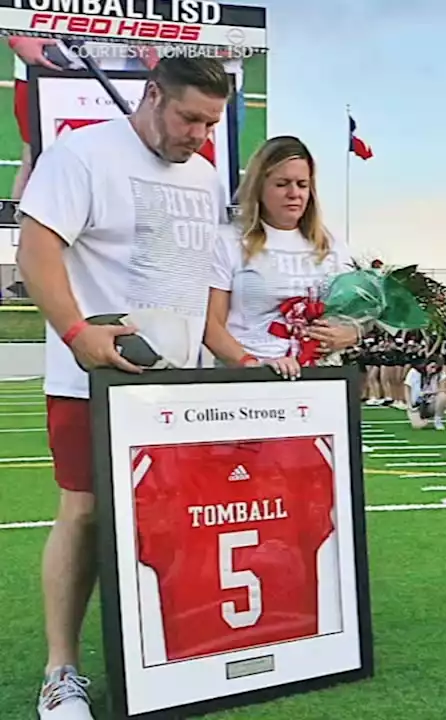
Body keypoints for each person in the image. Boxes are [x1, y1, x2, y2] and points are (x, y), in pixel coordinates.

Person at [15, 57, 232, 720]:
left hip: (179, 391)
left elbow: (202, 282)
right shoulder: (81, 154)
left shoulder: (205, 171)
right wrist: (78, 331)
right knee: (82, 515)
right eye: (189, 116)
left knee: (170, 521)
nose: (199, 133)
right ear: (152, 94)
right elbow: (36, 250)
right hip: (96, 383)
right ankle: (61, 671)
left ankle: (168, 656)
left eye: (212, 122)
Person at [203, 136, 360, 374]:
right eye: (282, 183)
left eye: (302, 184)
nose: (293, 193)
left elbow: (356, 315)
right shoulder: (227, 241)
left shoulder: (332, 245)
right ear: (259, 186)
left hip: (321, 378)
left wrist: (352, 333)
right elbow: (211, 325)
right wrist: (253, 365)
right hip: (250, 380)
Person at [406, 357, 446, 430]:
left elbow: (443, 389)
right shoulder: (414, 372)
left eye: (436, 368)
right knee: (418, 426)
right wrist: (409, 404)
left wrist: (430, 393)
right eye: (432, 367)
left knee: (443, 396)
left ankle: (438, 420)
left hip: (430, 403)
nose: (433, 370)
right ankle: (420, 418)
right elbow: (407, 388)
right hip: (416, 405)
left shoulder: (439, 373)